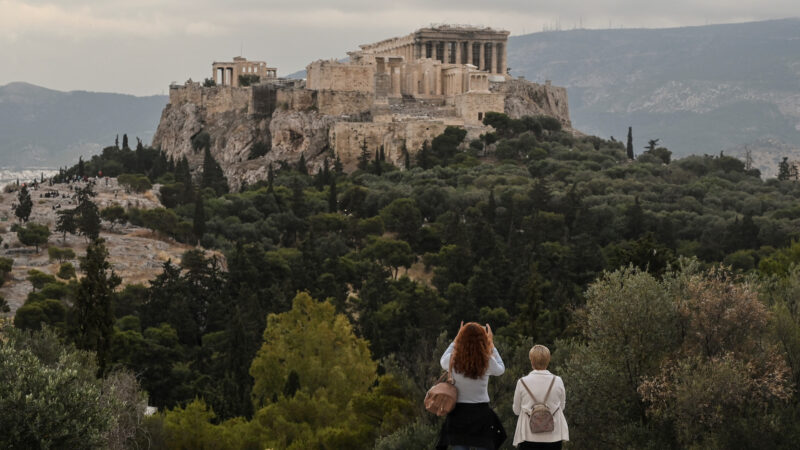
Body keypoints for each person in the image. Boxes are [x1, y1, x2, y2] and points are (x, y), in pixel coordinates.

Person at [436, 322, 507, 450]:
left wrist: (456, 339)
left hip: (458, 413)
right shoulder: (487, 360)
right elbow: (501, 369)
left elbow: (442, 361)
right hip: (481, 413)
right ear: (483, 339)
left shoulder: (453, 359)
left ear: (461, 338)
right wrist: (491, 344)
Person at [512, 345, 569, 449]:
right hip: (553, 436)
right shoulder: (557, 380)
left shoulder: (522, 382)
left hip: (528, 436)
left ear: (531, 361)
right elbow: (562, 407)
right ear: (548, 360)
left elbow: (516, 410)